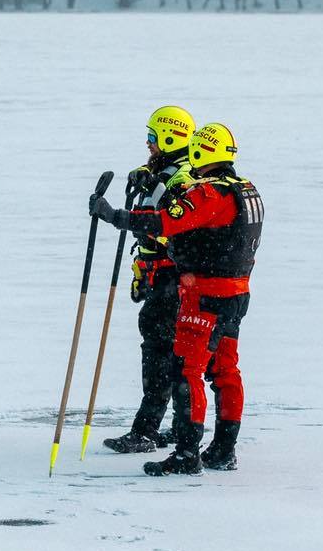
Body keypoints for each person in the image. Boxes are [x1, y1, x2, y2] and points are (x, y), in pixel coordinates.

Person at [90, 123, 263, 476]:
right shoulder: (247, 189)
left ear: (201, 151)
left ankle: (186, 454)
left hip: (205, 297)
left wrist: (113, 216)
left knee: (187, 371)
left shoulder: (210, 194)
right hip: (236, 294)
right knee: (225, 371)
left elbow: (164, 222)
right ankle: (223, 450)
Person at [103, 105, 194, 455]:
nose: (148, 143)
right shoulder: (167, 170)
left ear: (170, 138)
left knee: (160, 350)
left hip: (174, 277)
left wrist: (116, 216)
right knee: (168, 349)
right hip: (162, 274)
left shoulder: (181, 179)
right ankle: (178, 426)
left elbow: (166, 227)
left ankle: (146, 430)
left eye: (153, 137)